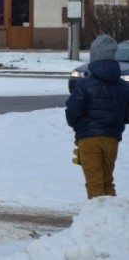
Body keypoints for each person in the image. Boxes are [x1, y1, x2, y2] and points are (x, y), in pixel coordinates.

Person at [65, 34, 129, 199]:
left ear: (94, 57)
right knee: (107, 180)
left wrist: (79, 126)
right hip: (112, 139)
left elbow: (72, 112)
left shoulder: (84, 85)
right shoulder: (123, 87)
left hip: (88, 138)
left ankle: (97, 219)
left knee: (94, 182)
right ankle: (112, 218)